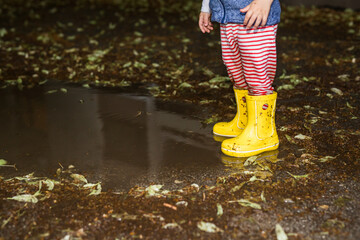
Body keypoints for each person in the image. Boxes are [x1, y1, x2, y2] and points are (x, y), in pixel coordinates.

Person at [199, 0, 281, 158]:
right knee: (236, 70)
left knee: (256, 72)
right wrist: (206, 7)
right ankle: (246, 122)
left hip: (256, 14)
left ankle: (263, 134)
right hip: (227, 17)